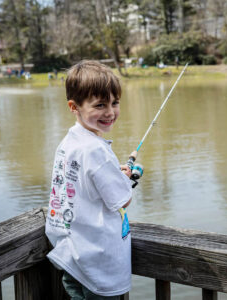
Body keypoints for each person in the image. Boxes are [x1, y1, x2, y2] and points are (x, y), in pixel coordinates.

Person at [45, 60, 133, 300]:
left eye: (115, 103)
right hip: (97, 263)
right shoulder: (96, 150)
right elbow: (122, 201)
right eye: (100, 105)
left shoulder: (69, 143)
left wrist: (115, 174)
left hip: (72, 257)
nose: (110, 112)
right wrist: (126, 179)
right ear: (74, 107)